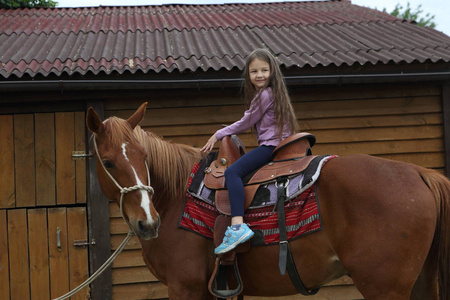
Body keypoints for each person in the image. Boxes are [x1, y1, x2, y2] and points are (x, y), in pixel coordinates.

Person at [201, 48, 299, 254]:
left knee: (232, 172)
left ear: (272, 71)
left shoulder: (264, 94)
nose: (260, 75)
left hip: (272, 146)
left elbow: (246, 122)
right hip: (278, 144)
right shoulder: (275, 94)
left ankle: (237, 226)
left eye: (264, 70)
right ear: (249, 75)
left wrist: (219, 134)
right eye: (254, 71)